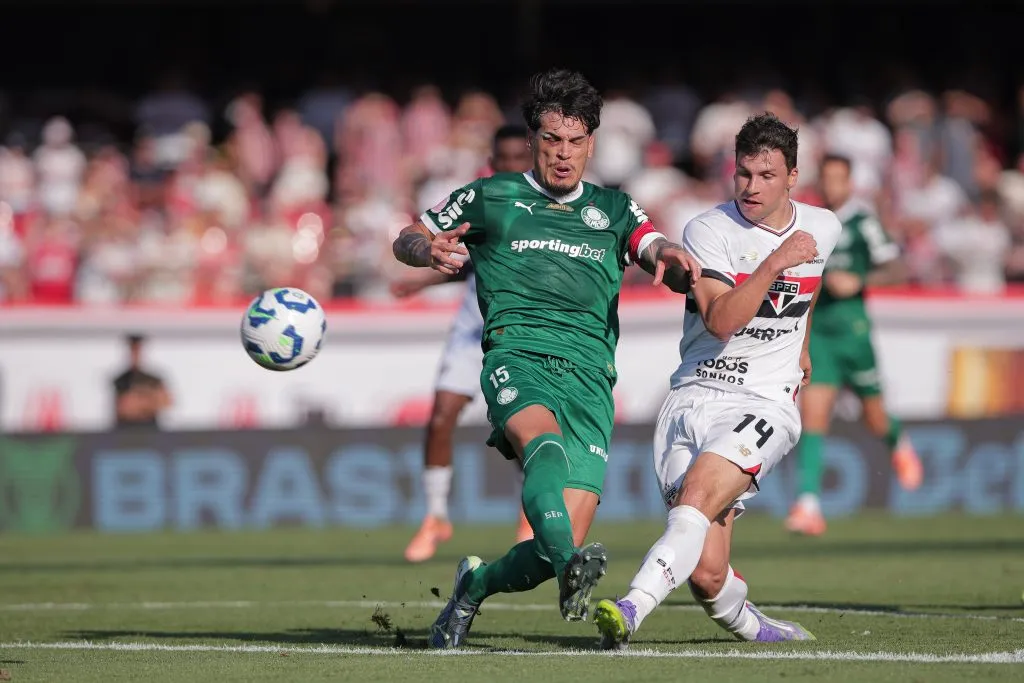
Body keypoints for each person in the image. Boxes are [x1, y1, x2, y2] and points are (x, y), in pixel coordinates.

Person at [391, 68, 700, 649]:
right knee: (544, 451)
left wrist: (673, 257)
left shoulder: (613, 207)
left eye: (576, 142)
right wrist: (422, 247)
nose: (563, 155)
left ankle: (475, 587)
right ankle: (571, 566)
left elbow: (651, 245)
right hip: (518, 357)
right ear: (532, 140)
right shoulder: (493, 197)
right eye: (552, 140)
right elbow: (408, 235)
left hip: (590, 378)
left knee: (542, 551)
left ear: (593, 143)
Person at [594, 113, 841, 649]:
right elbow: (722, 320)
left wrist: (800, 345)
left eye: (767, 176)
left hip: (763, 402)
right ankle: (759, 628)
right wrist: (775, 262)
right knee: (707, 574)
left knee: (697, 498)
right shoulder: (708, 229)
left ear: (793, 176)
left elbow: (812, 284)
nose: (752, 187)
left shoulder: (824, 227)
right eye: (744, 174)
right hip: (693, 395)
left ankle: (631, 607)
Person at [395, 125, 535, 563]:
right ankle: (436, 515)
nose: (511, 166)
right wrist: (421, 279)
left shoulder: (544, 210)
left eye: (519, 158)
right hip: (473, 327)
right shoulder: (480, 202)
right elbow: (459, 254)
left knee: (518, 433)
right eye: (504, 159)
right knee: (440, 418)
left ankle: (528, 512)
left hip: (518, 333)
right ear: (492, 164)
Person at [785, 154, 922, 536]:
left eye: (838, 179)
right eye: (826, 178)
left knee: (874, 416)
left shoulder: (862, 222)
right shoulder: (808, 221)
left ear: (849, 183)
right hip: (820, 332)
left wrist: (859, 280)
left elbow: (895, 268)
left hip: (854, 333)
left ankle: (897, 442)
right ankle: (807, 504)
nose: (831, 186)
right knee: (814, 415)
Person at [112, 334, 172, 429]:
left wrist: (140, 402)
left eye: (138, 350)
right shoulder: (121, 380)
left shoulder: (153, 379)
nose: (136, 354)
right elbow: (125, 408)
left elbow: (166, 402)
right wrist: (149, 399)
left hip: (150, 431)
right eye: (133, 350)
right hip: (126, 431)